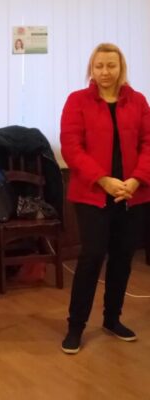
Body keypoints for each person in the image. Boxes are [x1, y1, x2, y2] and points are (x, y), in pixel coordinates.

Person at [60, 43, 150, 354]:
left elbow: (148, 143)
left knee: (123, 258)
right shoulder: (77, 101)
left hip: (132, 194)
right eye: (99, 66)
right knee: (92, 256)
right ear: (92, 68)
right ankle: (75, 326)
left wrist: (136, 179)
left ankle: (112, 319)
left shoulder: (138, 101)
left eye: (111, 65)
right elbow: (71, 147)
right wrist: (103, 180)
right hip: (92, 194)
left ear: (121, 67)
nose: (105, 72)